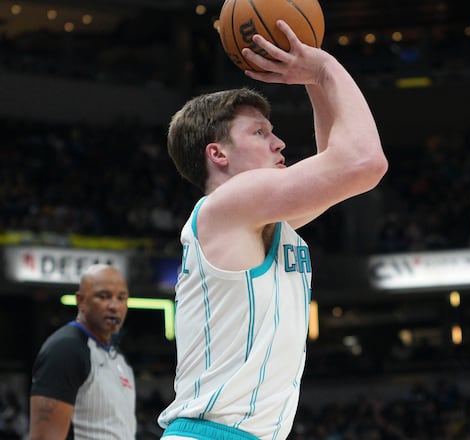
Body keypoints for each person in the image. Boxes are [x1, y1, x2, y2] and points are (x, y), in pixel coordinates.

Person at [157, 19, 388, 440]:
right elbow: (365, 163)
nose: (279, 142)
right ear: (218, 153)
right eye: (260, 132)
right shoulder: (228, 206)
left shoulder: (257, 220)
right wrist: (325, 68)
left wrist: (313, 82)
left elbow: (337, 162)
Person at [29, 264, 135, 440]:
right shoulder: (66, 349)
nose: (114, 306)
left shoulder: (118, 358)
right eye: (104, 296)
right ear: (81, 301)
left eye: (121, 298)